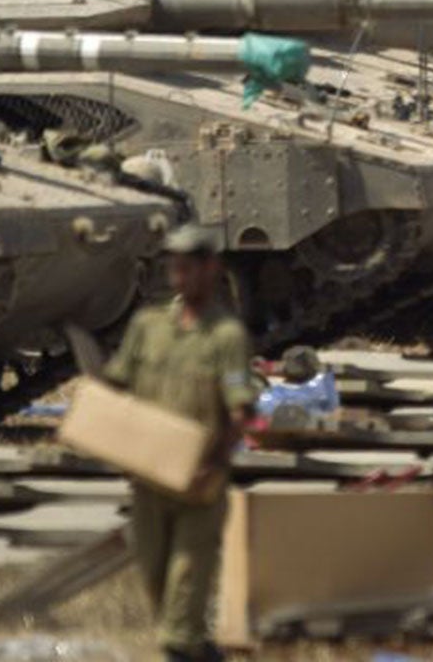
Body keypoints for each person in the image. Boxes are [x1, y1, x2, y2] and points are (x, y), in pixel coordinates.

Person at [101, 225, 256, 662]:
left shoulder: (226, 337)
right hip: (148, 477)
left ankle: (184, 649)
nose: (179, 273)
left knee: (185, 593)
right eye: (174, 264)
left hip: (198, 481)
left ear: (211, 268)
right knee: (156, 582)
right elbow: (116, 384)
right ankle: (199, 650)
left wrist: (218, 461)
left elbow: (241, 408)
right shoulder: (148, 327)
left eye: (189, 265)